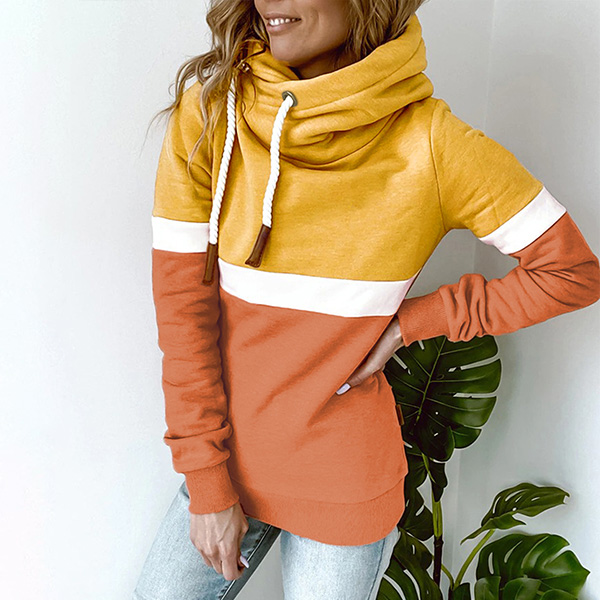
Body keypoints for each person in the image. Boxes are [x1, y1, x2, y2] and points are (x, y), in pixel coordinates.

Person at [133, 1, 600, 599]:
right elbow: (182, 316)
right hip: (227, 463)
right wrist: (206, 480)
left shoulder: (432, 143)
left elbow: (570, 272)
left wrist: (413, 322)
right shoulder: (212, 117)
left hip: (346, 476)